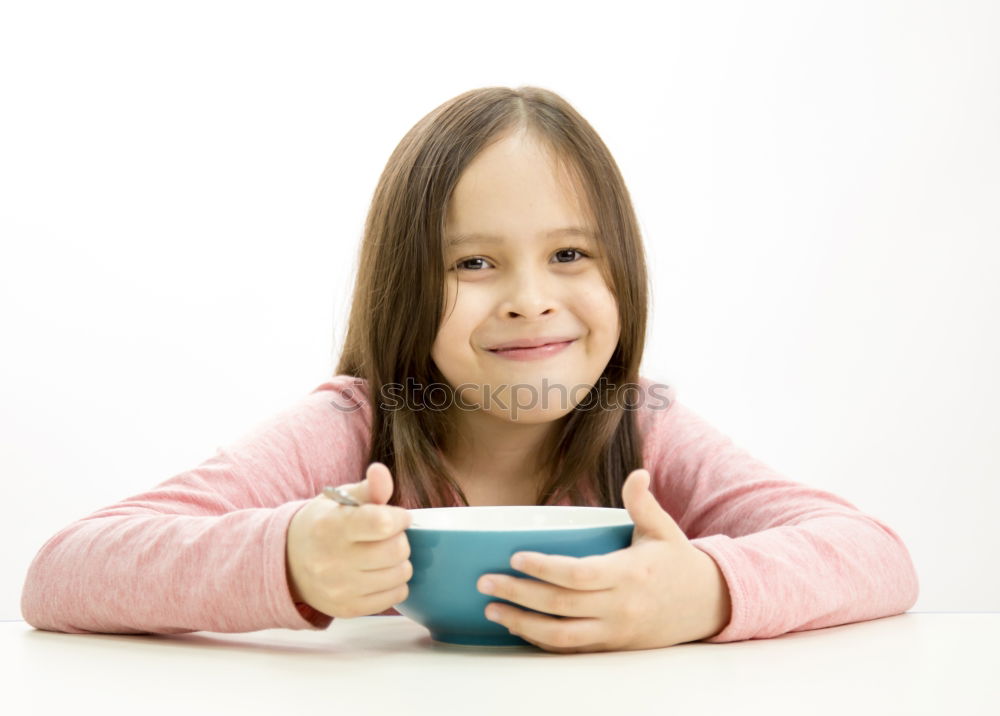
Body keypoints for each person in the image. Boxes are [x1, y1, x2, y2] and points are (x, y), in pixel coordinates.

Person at [20, 86, 919, 653]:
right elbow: (61, 573)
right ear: (404, 285)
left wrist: (702, 593)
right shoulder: (353, 428)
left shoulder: (641, 424)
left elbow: (876, 557)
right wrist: (290, 554)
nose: (530, 299)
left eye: (570, 253)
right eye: (474, 264)